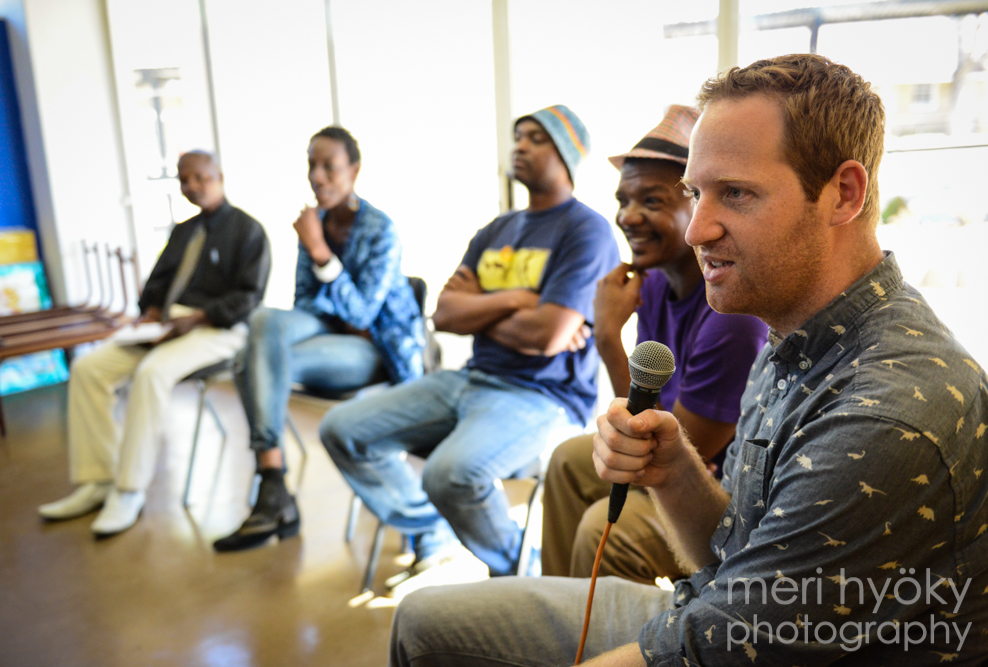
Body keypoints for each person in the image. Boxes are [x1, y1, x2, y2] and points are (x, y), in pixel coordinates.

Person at [389, 55, 988, 666]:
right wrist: (674, 469)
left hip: (736, 639)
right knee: (421, 621)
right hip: (717, 612)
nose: (695, 230)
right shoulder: (792, 332)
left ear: (843, 194)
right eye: (694, 193)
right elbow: (736, 552)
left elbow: (721, 646)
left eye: (735, 193)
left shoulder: (887, 414)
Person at [320, 105, 620, 578]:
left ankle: (521, 572)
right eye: (518, 136)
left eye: (536, 138)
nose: (519, 146)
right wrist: (519, 299)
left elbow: (547, 335)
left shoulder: (587, 230)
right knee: (341, 428)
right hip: (471, 379)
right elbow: (444, 313)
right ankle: (437, 529)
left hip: (543, 396)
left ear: (567, 154)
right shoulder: (497, 230)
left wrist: (480, 308)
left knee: (450, 474)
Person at [541, 106, 768, 586]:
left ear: (699, 207)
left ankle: (605, 629)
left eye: (651, 201)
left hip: (714, 489)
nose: (628, 217)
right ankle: (558, 610)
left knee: (601, 531)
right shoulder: (657, 284)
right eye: (623, 200)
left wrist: (607, 337)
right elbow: (649, 404)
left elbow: (661, 448)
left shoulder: (732, 317)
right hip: (677, 450)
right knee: (567, 461)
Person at [213, 126, 424, 552]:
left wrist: (320, 251)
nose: (317, 176)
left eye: (330, 166)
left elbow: (363, 314)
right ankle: (273, 477)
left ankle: (272, 491)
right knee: (263, 323)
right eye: (312, 165)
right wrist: (319, 258)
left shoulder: (380, 229)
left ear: (354, 171)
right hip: (329, 333)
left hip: (375, 350)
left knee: (248, 362)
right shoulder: (318, 222)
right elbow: (305, 301)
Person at [38, 151, 271, 536]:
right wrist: (150, 312)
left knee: (150, 373)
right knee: (88, 369)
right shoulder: (183, 231)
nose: (192, 186)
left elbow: (249, 297)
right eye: (184, 180)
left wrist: (198, 317)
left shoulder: (249, 231)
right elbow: (158, 282)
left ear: (219, 176)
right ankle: (99, 480)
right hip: (167, 327)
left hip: (218, 329)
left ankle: (128, 490)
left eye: (200, 177)